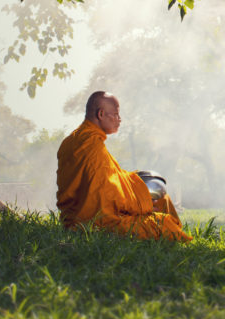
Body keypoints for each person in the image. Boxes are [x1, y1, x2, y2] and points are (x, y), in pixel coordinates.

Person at [56, 91, 191, 242]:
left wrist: (135, 183)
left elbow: (105, 181)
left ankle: (173, 230)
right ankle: (176, 235)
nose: (119, 119)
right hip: (93, 223)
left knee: (160, 196)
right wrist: (142, 203)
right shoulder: (92, 145)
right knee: (163, 223)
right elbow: (103, 194)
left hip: (73, 217)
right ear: (101, 114)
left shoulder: (72, 140)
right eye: (116, 114)